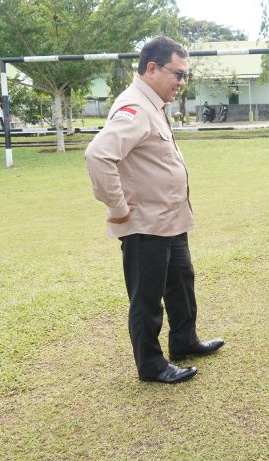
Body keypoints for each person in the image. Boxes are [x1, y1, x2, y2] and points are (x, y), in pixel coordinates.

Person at [85, 36, 224, 385]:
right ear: (151, 69)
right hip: (144, 223)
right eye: (177, 74)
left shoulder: (153, 104)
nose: (181, 82)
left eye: (183, 75)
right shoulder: (134, 107)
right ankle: (150, 364)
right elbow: (98, 155)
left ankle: (184, 340)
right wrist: (117, 208)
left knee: (181, 280)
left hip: (170, 218)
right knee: (146, 297)